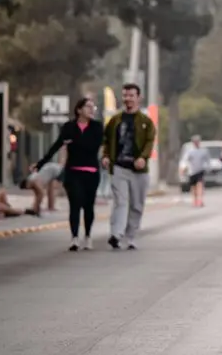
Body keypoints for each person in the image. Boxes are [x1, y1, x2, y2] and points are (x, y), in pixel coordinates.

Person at [33, 98, 104, 251]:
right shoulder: (69, 127)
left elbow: (93, 146)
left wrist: (74, 143)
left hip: (91, 173)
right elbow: (56, 146)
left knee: (88, 206)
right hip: (73, 172)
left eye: (94, 107)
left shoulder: (97, 127)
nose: (92, 110)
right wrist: (40, 164)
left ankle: (88, 236)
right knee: (75, 204)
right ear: (79, 110)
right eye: (88, 107)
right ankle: (74, 237)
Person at [102, 83, 156, 250]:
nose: (128, 99)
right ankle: (116, 234)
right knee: (120, 201)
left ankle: (131, 236)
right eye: (125, 95)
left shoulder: (146, 121)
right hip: (119, 167)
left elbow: (149, 142)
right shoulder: (115, 120)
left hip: (139, 170)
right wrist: (105, 156)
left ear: (138, 98)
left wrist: (143, 158)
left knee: (137, 205)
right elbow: (107, 140)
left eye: (131, 96)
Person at [184, 135, 210, 207]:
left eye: (197, 141)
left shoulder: (203, 151)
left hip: (200, 170)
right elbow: (185, 160)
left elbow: (207, 160)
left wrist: (208, 168)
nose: (196, 143)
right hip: (192, 171)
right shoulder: (190, 151)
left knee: (200, 185)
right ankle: (194, 200)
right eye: (195, 141)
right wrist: (184, 168)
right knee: (193, 187)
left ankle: (200, 200)